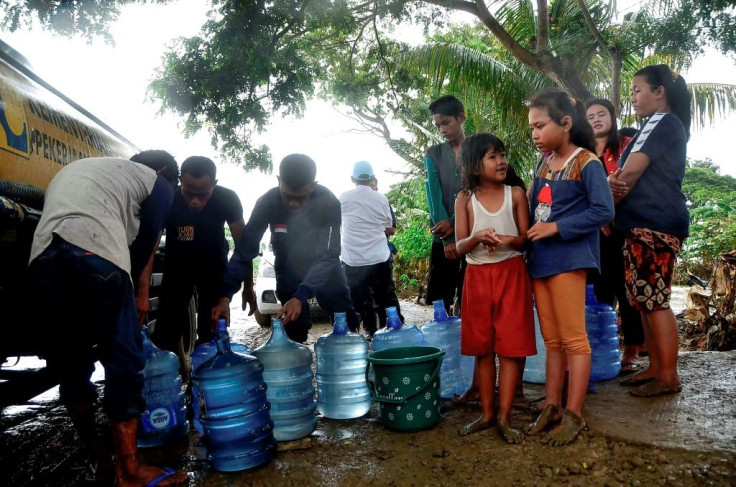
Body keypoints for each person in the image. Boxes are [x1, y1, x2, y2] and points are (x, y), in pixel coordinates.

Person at [28, 153, 187, 486]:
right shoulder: (157, 182)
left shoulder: (79, 171)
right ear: (163, 172)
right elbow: (148, 239)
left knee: (72, 362)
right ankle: (129, 470)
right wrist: (138, 291)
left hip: (43, 261)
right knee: (124, 361)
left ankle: (98, 455)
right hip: (95, 255)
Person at [524, 90, 614, 445]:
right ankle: (552, 405)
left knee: (575, 340)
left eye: (540, 125)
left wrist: (556, 227)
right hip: (542, 260)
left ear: (565, 124)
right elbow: (534, 208)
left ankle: (575, 414)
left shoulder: (587, 162)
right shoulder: (544, 164)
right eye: (532, 127)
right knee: (552, 341)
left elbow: (603, 211)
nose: (534, 133)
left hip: (570, 258)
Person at [211, 154, 360, 343]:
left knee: (346, 322)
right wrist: (225, 296)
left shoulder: (328, 202)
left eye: (300, 198)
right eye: (288, 196)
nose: (293, 203)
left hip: (324, 268)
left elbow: (329, 255)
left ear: (313, 186)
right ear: (279, 181)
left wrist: (301, 296)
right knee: (293, 329)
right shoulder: (267, 202)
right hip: (288, 269)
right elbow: (245, 249)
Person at [608, 65, 691, 397]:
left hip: (652, 224)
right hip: (644, 222)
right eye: (630, 91)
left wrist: (611, 187)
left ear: (660, 92)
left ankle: (668, 375)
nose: (633, 96)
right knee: (644, 299)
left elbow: (627, 175)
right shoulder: (663, 124)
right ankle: (655, 367)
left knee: (654, 300)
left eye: (637, 89)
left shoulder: (660, 121)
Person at [453, 133, 536, 442]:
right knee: (483, 349)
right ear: (475, 166)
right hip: (476, 277)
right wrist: (477, 238)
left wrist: (504, 239)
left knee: (511, 349)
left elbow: (525, 238)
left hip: (512, 274)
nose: (502, 161)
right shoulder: (464, 199)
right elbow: (460, 245)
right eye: (493, 156)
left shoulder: (515, 194)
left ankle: (504, 416)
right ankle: (487, 414)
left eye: (503, 154)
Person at [153, 156, 244, 359]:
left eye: (203, 194)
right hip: (177, 270)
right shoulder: (169, 199)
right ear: (180, 183)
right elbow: (152, 243)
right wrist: (142, 291)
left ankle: (203, 387)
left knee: (211, 332)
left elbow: (243, 247)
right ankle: (167, 383)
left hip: (214, 271)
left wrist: (248, 287)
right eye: (188, 193)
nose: (195, 201)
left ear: (214, 184)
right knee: (165, 332)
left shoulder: (227, 199)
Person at [585, 99, 644, 373]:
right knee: (598, 288)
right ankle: (600, 349)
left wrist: (608, 205)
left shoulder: (626, 143)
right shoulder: (581, 151)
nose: (597, 119)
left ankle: (631, 351)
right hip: (592, 231)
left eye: (602, 114)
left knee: (627, 288)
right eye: (591, 116)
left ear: (612, 116)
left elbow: (629, 179)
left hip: (624, 227)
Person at [340, 161, 402, 338]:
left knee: (358, 300)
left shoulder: (343, 198)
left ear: (353, 179)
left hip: (353, 260)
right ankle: (390, 332)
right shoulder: (381, 198)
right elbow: (389, 226)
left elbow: (338, 222)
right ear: (372, 178)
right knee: (386, 298)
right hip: (378, 258)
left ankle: (367, 331)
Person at [424, 95, 467, 314]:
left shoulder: (477, 150)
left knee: (470, 292)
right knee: (441, 299)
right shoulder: (434, 154)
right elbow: (433, 195)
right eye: (438, 125)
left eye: (446, 123)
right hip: (443, 236)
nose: (442, 130)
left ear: (460, 118)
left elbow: (480, 192)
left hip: (473, 231)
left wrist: (455, 222)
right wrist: (448, 236)